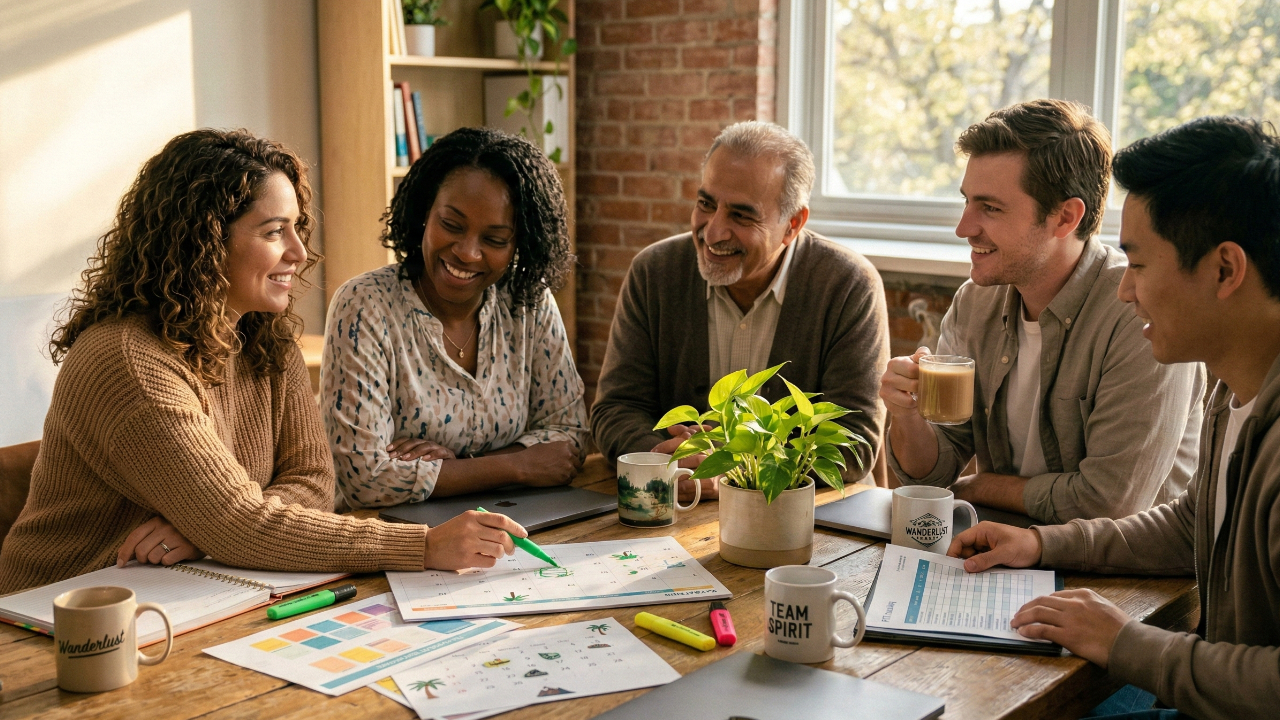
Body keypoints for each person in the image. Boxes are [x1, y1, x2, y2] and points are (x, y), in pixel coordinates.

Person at [0, 129, 527, 594]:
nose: (299, 252)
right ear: (202, 242)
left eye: (297, 228)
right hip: (56, 613)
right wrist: (425, 547)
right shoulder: (127, 362)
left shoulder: (265, 339)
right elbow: (240, 522)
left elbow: (316, 480)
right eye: (275, 232)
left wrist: (205, 525)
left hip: (186, 588)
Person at [950, 116, 1280, 719]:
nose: (1126, 291)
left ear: (1225, 270)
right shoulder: (1233, 390)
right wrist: (1040, 543)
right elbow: (1189, 526)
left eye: (1141, 265)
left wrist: (1125, 641)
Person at [880, 99, 1203, 523]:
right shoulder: (975, 302)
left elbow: (1111, 503)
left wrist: (982, 486)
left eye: (990, 208)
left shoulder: (1137, 312)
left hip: (1119, 579)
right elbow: (932, 477)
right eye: (967, 201)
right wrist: (906, 417)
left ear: (1065, 218)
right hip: (1000, 551)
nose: (963, 228)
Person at [591, 121, 890, 499]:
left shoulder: (848, 285)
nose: (713, 231)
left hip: (812, 518)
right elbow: (616, 409)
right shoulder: (655, 272)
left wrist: (733, 467)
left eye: (741, 215)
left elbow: (853, 444)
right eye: (706, 204)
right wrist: (664, 459)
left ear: (792, 224)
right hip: (677, 512)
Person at [322, 127, 587, 509]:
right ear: (424, 211)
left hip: (513, 524)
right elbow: (365, 479)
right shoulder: (364, 306)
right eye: (451, 224)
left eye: (495, 240)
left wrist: (464, 466)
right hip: (389, 539)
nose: (467, 253)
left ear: (520, 243)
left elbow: (570, 438)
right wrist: (518, 465)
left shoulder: (529, 303)